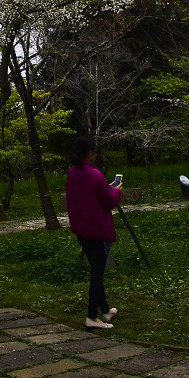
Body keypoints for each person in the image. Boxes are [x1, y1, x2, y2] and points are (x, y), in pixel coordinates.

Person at [65, 137, 122, 330]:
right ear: (89, 153)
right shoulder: (95, 175)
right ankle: (91, 316)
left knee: (96, 269)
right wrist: (116, 190)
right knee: (97, 274)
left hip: (82, 229)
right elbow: (109, 201)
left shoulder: (72, 173)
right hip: (98, 230)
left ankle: (105, 310)